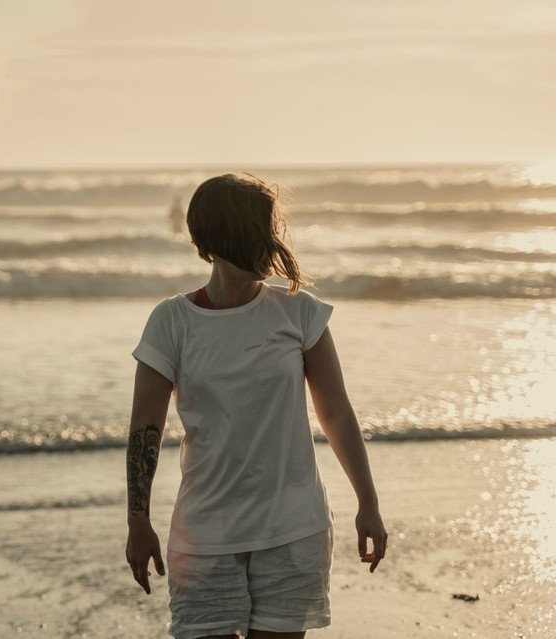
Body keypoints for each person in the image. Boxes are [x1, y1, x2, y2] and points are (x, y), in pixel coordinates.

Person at [125, 173, 387, 639]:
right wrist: (138, 522)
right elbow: (145, 430)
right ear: (224, 238)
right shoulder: (172, 322)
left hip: (292, 529)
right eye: (261, 231)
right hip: (205, 534)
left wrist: (368, 503)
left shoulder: (299, 312)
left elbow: (337, 414)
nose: (273, 242)